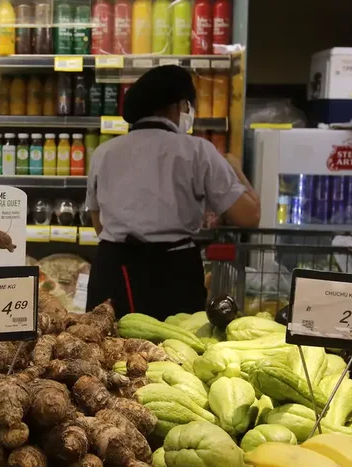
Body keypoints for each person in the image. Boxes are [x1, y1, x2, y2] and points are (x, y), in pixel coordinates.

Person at [85, 64, 260, 320]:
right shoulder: (197, 150)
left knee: (107, 350)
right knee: (176, 352)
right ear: (178, 106)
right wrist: (236, 169)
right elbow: (249, 217)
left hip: (113, 269)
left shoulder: (104, 152)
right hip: (174, 271)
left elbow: (98, 223)